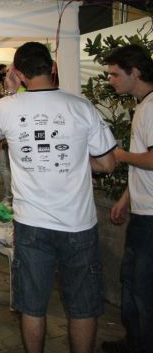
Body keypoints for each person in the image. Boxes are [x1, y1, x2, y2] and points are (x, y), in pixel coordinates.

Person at [0, 42, 116, 353]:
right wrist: (76, 159)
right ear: (52, 67)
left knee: (32, 305)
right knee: (82, 306)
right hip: (78, 223)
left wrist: (11, 90)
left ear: (18, 73)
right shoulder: (81, 106)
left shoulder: (5, 107)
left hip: (31, 223)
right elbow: (107, 164)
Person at [101, 44, 153, 353]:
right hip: (142, 210)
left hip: (151, 217)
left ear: (135, 72)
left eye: (115, 74)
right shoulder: (143, 106)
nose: (111, 81)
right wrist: (125, 198)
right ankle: (134, 341)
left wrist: (118, 155)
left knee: (143, 287)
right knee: (132, 280)